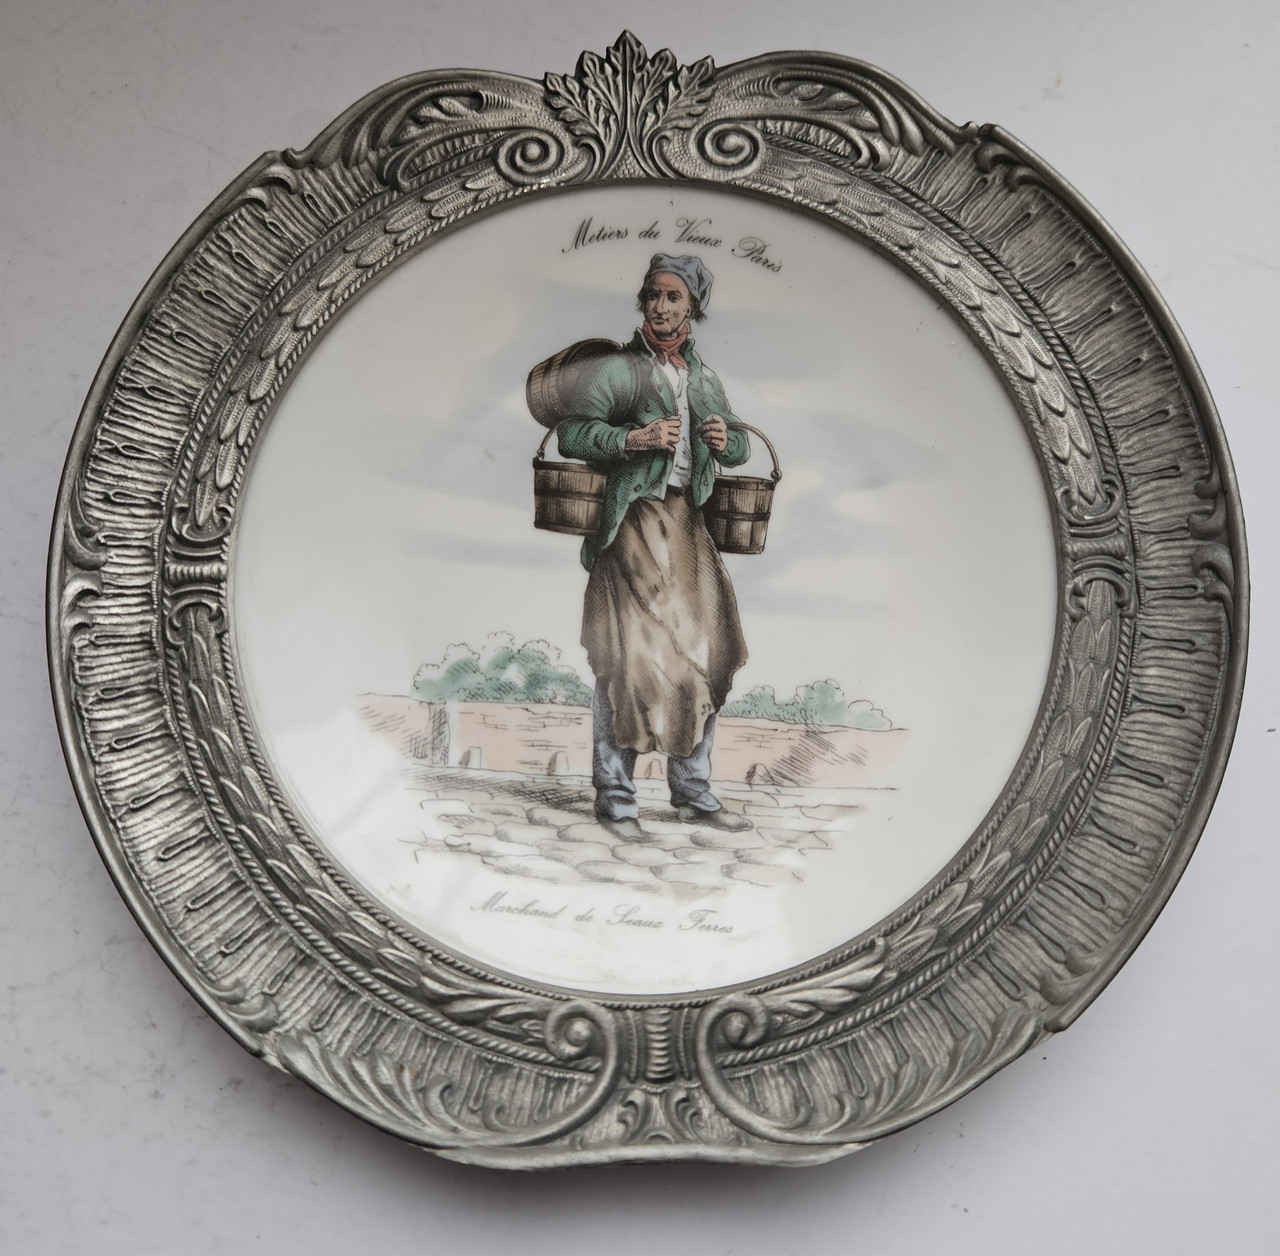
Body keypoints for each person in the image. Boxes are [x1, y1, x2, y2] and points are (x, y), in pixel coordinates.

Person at [556, 254, 755, 840]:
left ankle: (692, 792)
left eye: (673, 297)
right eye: (653, 295)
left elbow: (741, 445)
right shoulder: (619, 369)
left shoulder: (704, 378)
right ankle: (616, 798)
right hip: (633, 520)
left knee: (709, 653)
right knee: (629, 658)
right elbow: (572, 433)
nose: (661, 306)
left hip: (688, 525)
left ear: (693, 307)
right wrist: (634, 438)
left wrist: (725, 438)